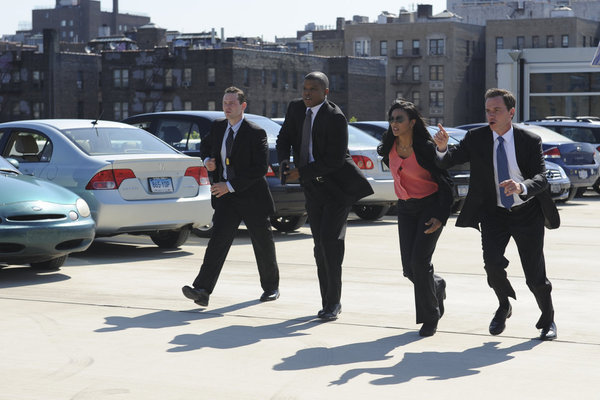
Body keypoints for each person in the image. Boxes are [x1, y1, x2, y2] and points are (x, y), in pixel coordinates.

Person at [433, 88, 560, 340]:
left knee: (534, 275)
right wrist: (442, 147)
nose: (491, 115)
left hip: (526, 212)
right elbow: (447, 161)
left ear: (510, 113)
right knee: (492, 265)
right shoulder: (476, 137)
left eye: (497, 110)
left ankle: (548, 319)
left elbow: (542, 178)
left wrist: (521, 187)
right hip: (493, 213)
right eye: (488, 111)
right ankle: (504, 305)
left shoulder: (529, 140)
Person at [276, 71, 373, 321]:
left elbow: (335, 159)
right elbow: (284, 137)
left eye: (313, 89)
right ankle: (326, 301)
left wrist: (302, 172)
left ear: (325, 93)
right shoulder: (296, 109)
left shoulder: (335, 117)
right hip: (313, 189)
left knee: (331, 243)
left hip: (337, 189)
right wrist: (285, 162)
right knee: (319, 247)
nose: (307, 93)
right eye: (305, 88)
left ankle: (333, 303)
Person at [182, 86, 280, 307]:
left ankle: (271, 288)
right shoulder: (217, 127)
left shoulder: (256, 133)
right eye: (225, 103)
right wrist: (206, 159)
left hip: (251, 196)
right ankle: (202, 290)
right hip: (226, 199)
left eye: (232, 103)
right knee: (217, 242)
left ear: (243, 106)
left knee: (262, 243)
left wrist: (230, 185)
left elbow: (259, 169)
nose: (227, 107)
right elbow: (205, 146)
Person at [377, 100, 453, 337]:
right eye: (391, 119)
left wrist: (440, 216)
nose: (394, 123)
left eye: (399, 119)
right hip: (406, 209)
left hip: (430, 208)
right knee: (410, 270)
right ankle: (437, 285)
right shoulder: (388, 146)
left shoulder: (425, 148)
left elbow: (447, 182)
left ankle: (430, 318)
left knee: (420, 264)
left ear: (412, 122)